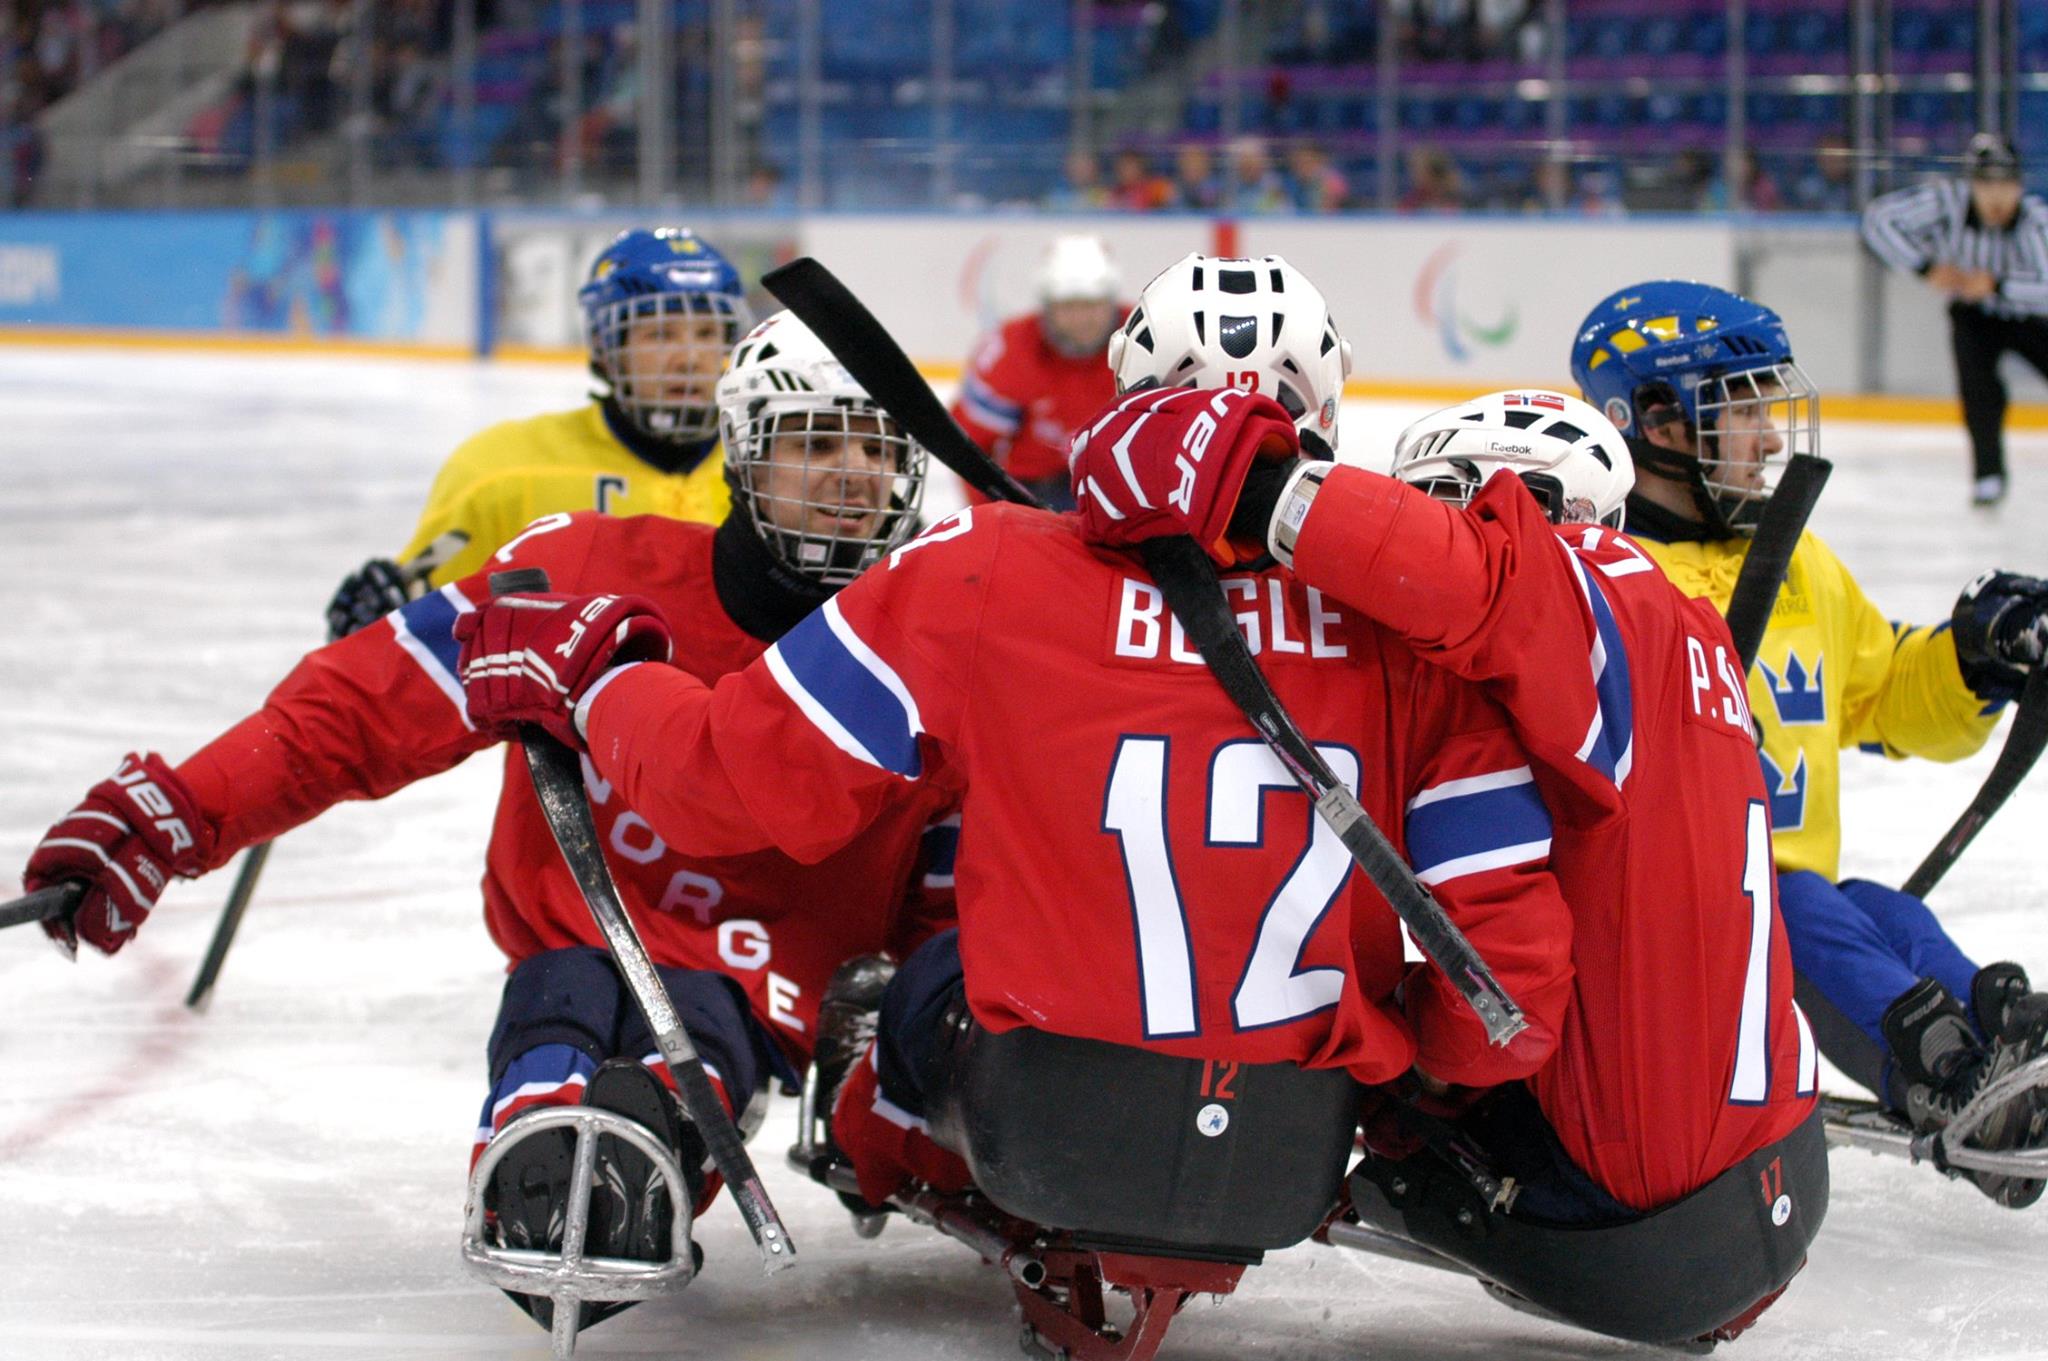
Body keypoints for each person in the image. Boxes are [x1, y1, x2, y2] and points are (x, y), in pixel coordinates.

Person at [19, 312, 956, 1341]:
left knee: (685, 1053)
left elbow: (978, 869)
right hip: (574, 939)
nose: (854, 473)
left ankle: (651, 1137)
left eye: (878, 446)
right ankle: (540, 1128)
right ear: (740, 451)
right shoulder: (592, 566)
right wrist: (180, 812)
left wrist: (898, 1091)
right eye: (818, 440)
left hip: (758, 990)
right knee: (562, 1002)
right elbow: (370, 701)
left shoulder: (942, 636)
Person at [452, 376, 1581, 1224]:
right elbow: (1510, 986)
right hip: (1288, 1148)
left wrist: (601, 681)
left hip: (1045, 1121)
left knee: (923, 976)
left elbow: (723, 784)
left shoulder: (982, 564)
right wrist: (1412, 1086)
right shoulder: (1405, 641)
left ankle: (877, 1118)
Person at [1077, 252, 1821, 1340]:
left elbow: (1502, 1002)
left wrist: (1251, 483)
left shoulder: (1566, 602)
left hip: (1634, 1222)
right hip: (1777, 1163)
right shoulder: (1686, 628)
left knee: (1373, 1074)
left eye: (1444, 505)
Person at [1572, 278, 2048, 1206]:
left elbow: (1879, 692)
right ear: (1661, 423)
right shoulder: (1607, 572)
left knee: (1870, 905)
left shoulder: (1795, 565)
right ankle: (1941, 1069)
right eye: (1743, 408)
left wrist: (1977, 655)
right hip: (1653, 927)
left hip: (1779, 903)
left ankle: (2001, 1042)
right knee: (1799, 904)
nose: (1772, 434)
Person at [325, 227, 751, 636]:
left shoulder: (770, 472)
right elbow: (422, 627)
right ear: (606, 347)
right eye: (660, 334)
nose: (691, 358)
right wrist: (383, 619)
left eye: (709, 333)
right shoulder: (499, 471)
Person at [1862, 132, 2048, 505]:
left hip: (2031, 318)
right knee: (1979, 392)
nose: (1996, 197)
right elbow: (1877, 220)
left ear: (2019, 185)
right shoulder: (1946, 203)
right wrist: (1923, 266)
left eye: (2006, 185)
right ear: (1971, 185)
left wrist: (1998, 285)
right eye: (1986, 185)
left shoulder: (2037, 222)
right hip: (1974, 316)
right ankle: (1988, 476)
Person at [947, 234, 1127, 511]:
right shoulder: (1009, 349)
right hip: (1033, 493)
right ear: (1046, 306)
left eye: (1091, 305)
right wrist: (987, 518)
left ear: (1111, 301)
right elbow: (969, 448)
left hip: (1124, 487)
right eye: (1067, 306)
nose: (1081, 320)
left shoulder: (1146, 338)